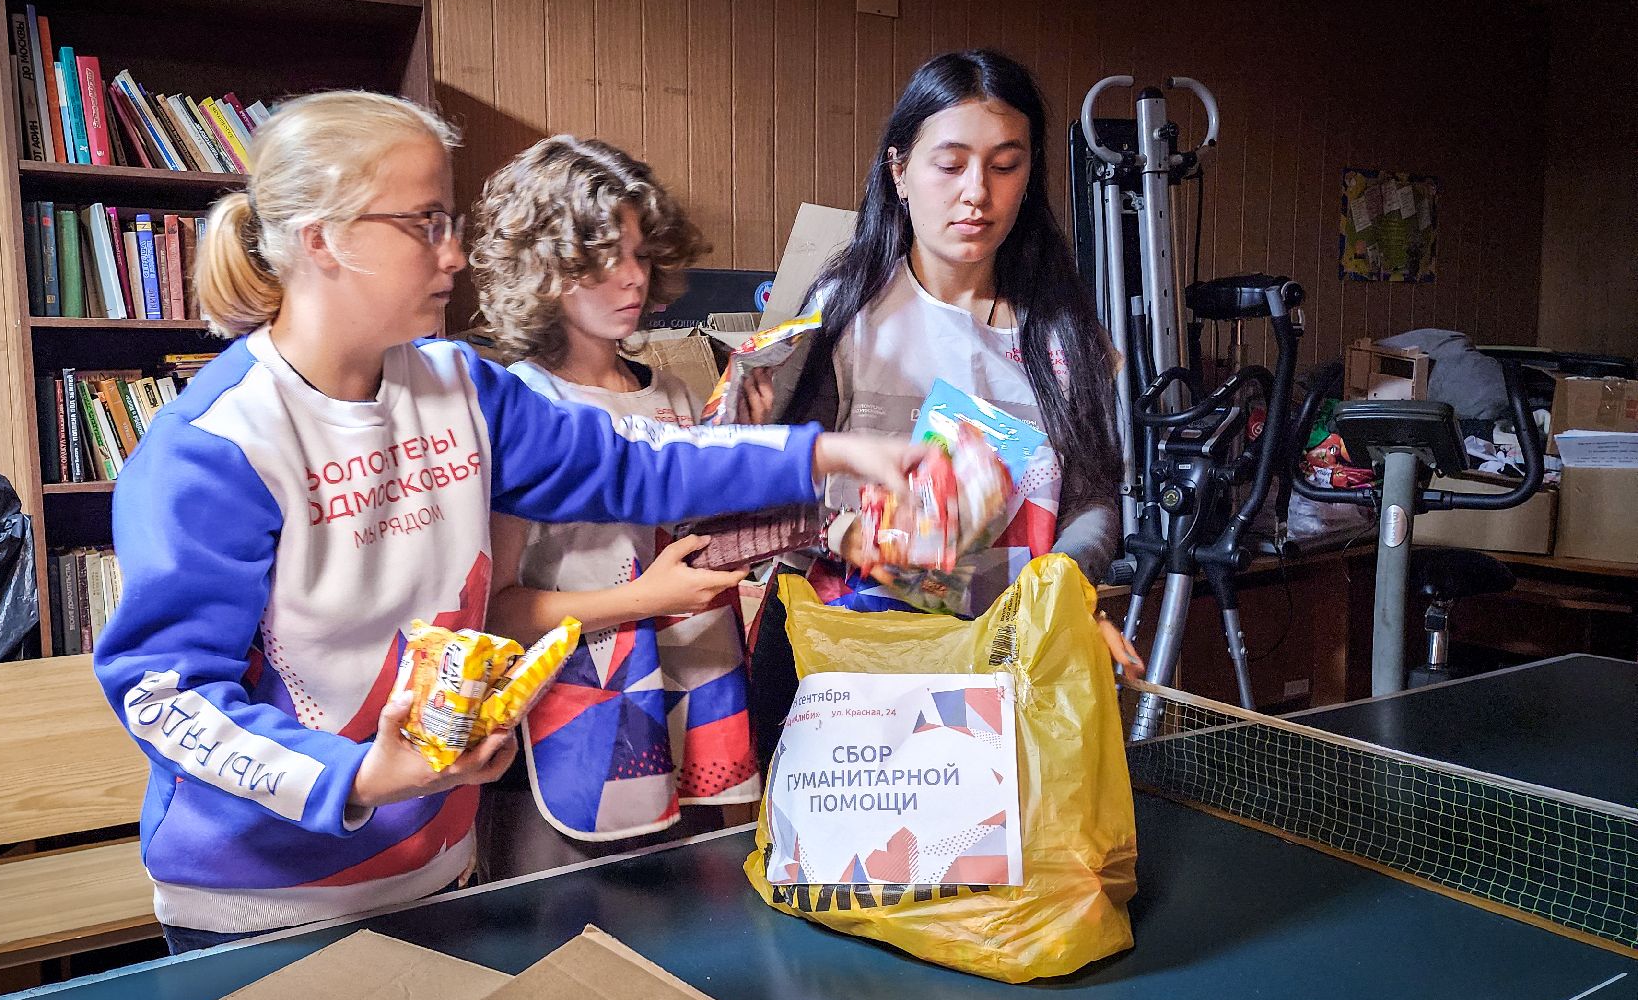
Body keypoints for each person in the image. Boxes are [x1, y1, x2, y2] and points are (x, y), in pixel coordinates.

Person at [91, 91, 912, 953]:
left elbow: (635, 464)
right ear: (321, 239)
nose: (455, 253)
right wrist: (362, 775)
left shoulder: (459, 388)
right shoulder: (216, 446)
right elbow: (165, 692)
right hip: (265, 900)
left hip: (436, 866)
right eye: (425, 222)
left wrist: (827, 456)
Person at [748, 49, 1131, 758]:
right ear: (899, 170)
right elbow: (760, 483)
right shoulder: (844, 315)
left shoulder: (1065, 334)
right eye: (950, 164)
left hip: (998, 660)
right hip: (844, 658)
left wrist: (1064, 593)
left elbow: (1092, 497)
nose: (976, 193)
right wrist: (846, 536)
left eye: (1005, 164)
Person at [469, 136, 756, 878]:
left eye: (641, 254)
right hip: (580, 724)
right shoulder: (524, 405)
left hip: (698, 699)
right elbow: (496, 612)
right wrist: (645, 597)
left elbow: (705, 545)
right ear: (544, 264)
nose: (634, 278)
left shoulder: (678, 393)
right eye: (605, 258)